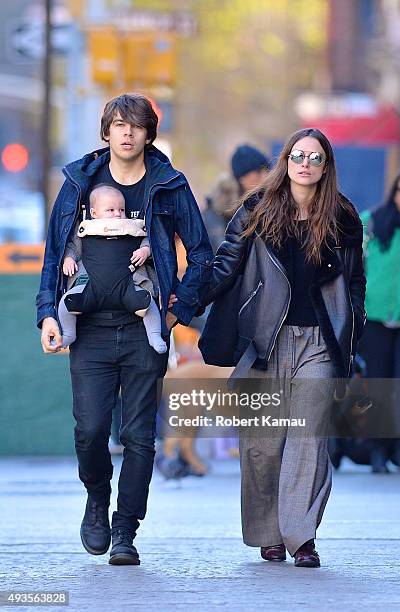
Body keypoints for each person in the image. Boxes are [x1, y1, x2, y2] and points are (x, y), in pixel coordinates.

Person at [36, 93, 213, 565]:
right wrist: (47, 313)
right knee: (91, 431)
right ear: (106, 131)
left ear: (148, 132)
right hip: (89, 328)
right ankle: (97, 498)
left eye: (135, 125)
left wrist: (179, 309)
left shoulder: (168, 184)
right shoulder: (79, 181)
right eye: (118, 124)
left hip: (144, 327)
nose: (127, 132)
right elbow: (55, 253)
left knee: (139, 437)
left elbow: (201, 254)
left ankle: (125, 530)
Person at [200, 128, 366, 567]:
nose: (306, 164)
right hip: (264, 339)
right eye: (298, 155)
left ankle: (301, 536)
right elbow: (227, 263)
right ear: (286, 161)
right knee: (262, 444)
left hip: (319, 342)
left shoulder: (344, 217)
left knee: (308, 437)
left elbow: (354, 283)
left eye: (315, 158)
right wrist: (187, 301)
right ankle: (268, 533)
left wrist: (354, 329)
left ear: (326, 166)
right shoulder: (258, 207)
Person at [59, 183, 167, 353]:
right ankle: (69, 333)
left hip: (129, 284)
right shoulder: (85, 230)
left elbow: (149, 241)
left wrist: (145, 251)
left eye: (121, 210)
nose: (118, 214)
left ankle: (154, 334)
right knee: (67, 302)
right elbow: (73, 247)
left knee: (148, 303)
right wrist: (68, 259)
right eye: (110, 210)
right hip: (90, 284)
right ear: (94, 213)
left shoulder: (132, 228)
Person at [358, 168, 400, 473]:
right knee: (378, 385)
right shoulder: (373, 221)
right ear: (393, 192)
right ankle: (377, 449)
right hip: (375, 317)